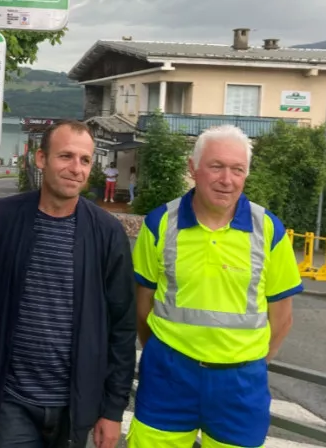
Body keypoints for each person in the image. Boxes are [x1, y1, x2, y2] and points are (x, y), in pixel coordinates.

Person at [127, 125, 303, 448]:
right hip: (168, 376)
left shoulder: (269, 231)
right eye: (216, 166)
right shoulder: (160, 224)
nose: (227, 179)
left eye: (237, 169)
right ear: (193, 169)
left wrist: (245, 363)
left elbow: (282, 320)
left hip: (239, 386)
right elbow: (142, 309)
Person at [0, 120, 137, 448]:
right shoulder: (0, 219)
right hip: (9, 401)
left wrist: (112, 410)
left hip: (74, 406)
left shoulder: (107, 234)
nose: (76, 168)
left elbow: (122, 328)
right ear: (41, 159)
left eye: (85, 160)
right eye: (65, 156)